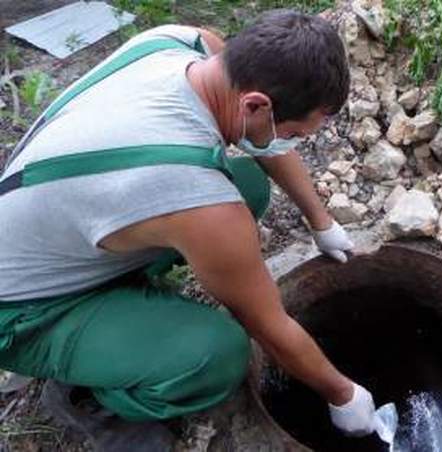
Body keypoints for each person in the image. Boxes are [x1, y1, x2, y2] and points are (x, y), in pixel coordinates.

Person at [0, 10, 377, 451]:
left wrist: (321, 221)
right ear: (256, 104)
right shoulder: (199, 201)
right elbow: (269, 325)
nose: (291, 143)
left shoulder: (186, 44)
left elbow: (264, 142)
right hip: (22, 310)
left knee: (248, 187)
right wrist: (342, 393)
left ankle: (123, 309)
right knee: (217, 357)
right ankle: (89, 396)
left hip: (46, 231)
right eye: (293, 132)